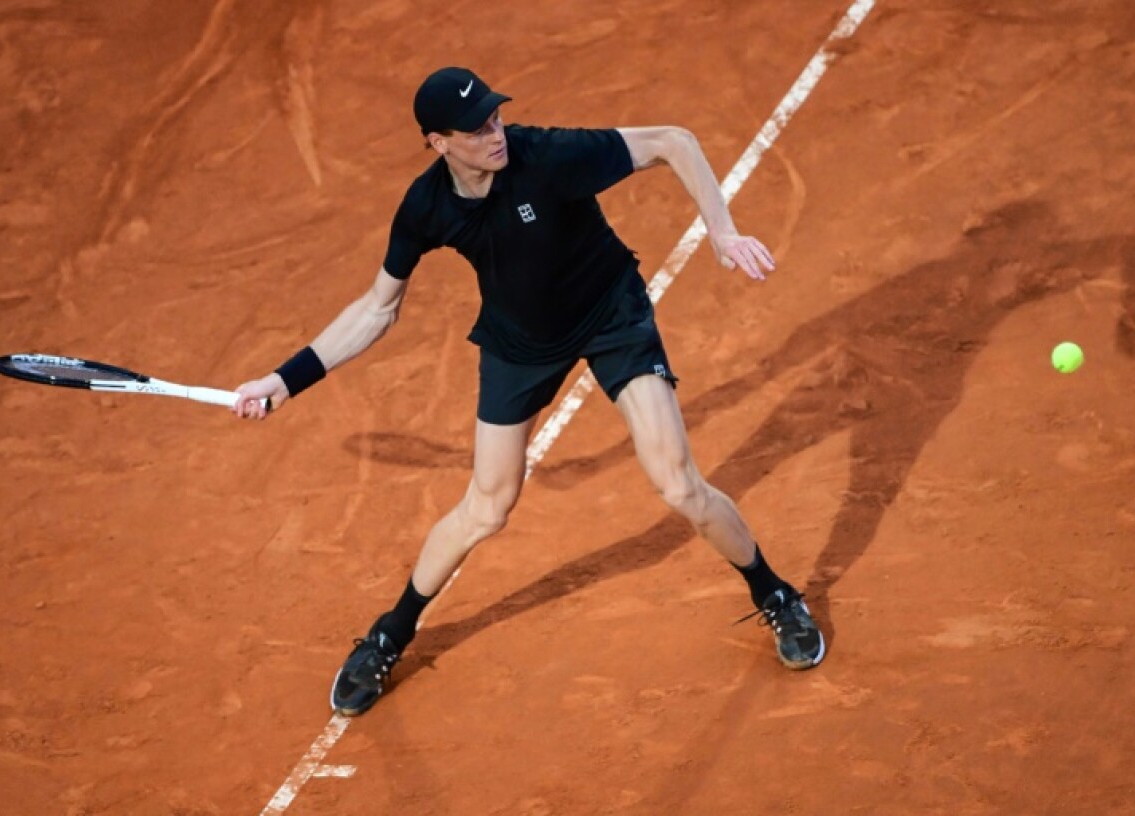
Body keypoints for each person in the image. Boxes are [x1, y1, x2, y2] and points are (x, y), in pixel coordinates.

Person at [232, 67, 825, 717]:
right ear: (438, 142)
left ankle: (775, 595)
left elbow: (672, 141)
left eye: (495, 116)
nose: (496, 132)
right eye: (477, 127)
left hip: (610, 316)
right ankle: (388, 635)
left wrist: (722, 229)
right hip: (519, 345)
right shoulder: (427, 206)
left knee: (678, 481)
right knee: (487, 507)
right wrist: (285, 380)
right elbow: (378, 309)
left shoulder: (546, 154)